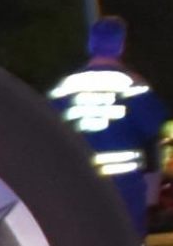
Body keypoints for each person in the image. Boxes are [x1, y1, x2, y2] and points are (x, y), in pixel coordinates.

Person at [49, 17, 166, 228]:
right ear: (121, 46)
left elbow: (47, 131)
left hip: (80, 183)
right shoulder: (132, 85)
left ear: (90, 45)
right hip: (124, 185)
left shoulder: (65, 87)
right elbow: (155, 127)